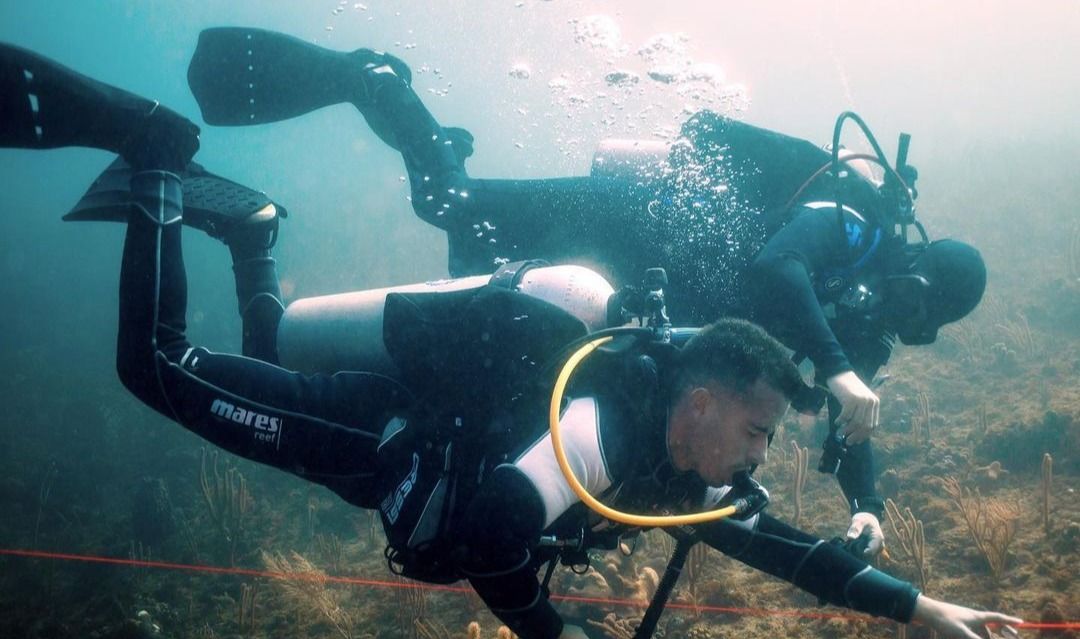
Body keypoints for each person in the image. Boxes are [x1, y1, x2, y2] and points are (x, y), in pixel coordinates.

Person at [0, 41, 1020, 639]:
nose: (759, 458)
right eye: (755, 434)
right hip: (431, 398)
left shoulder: (692, 459)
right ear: (703, 404)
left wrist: (921, 605)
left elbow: (787, 548)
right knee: (164, 368)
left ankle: (251, 230)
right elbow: (493, 524)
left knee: (262, 348)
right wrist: (546, 634)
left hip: (437, 405)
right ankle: (167, 150)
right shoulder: (624, 420)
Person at [184, 28, 990, 557]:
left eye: (921, 321)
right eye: (911, 294)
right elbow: (781, 267)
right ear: (904, 257)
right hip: (628, 224)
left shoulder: (864, 334)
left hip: (624, 299)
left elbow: (848, 426)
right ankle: (382, 85)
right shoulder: (850, 220)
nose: (898, 315)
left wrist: (869, 501)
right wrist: (839, 365)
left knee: (465, 250)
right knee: (448, 206)